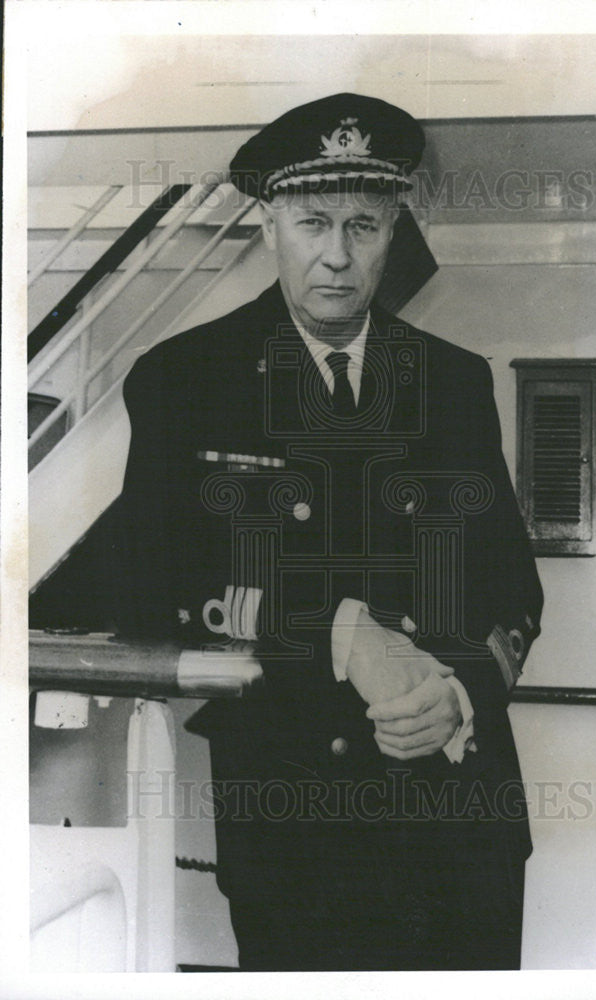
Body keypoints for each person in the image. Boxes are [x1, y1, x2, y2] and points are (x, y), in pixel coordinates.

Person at [116, 92, 543, 971]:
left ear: (395, 231)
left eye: (364, 224)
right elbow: (149, 585)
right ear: (268, 225)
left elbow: (510, 588)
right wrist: (340, 632)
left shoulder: (455, 383)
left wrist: (457, 688)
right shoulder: (183, 379)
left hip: (461, 819)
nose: (339, 258)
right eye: (313, 223)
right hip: (296, 833)